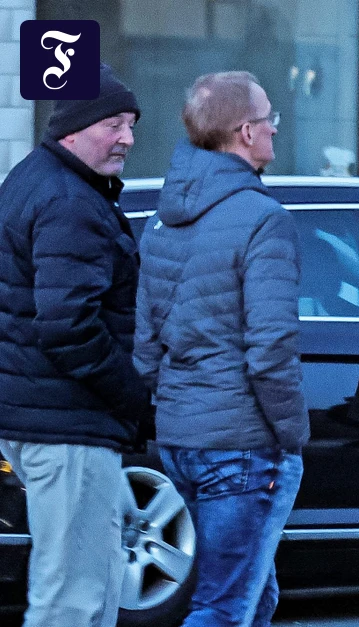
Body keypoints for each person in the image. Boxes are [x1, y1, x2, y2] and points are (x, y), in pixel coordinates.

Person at [134, 71, 308, 627]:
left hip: (181, 437)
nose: (275, 129)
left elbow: (146, 345)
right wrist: (291, 433)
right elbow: (271, 348)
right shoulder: (263, 220)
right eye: (269, 118)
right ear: (245, 133)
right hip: (243, 443)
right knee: (225, 606)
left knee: (253, 595)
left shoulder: (162, 221)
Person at [0, 63, 151, 627]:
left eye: (131, 125)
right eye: (113, 125)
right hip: (67, 425)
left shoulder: (34, 180)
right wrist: (132, 396)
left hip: (45, 417)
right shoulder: (70, 200)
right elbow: (67, 326)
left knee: (92, 586)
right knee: (71, 600)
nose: (127, 139)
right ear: (72, 130)